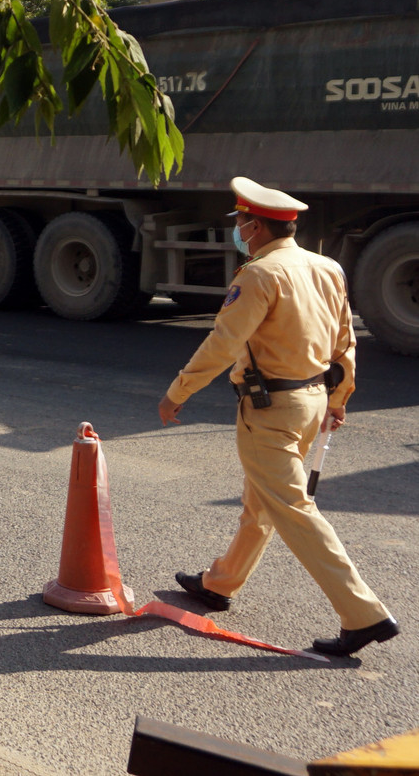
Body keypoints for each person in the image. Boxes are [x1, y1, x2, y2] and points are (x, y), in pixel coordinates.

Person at [158, 176, 398, 657]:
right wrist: (339, 398)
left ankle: (363, 614)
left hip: (270, 411)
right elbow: (344, 341)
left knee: (292, 509)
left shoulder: (259, 275)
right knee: (261, 502)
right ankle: (220, 583)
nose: (239, 230)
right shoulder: (327, 267)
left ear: (254, 227)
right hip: (310, 401)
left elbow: (223, 343)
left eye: (242, 222)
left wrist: (177, 391)